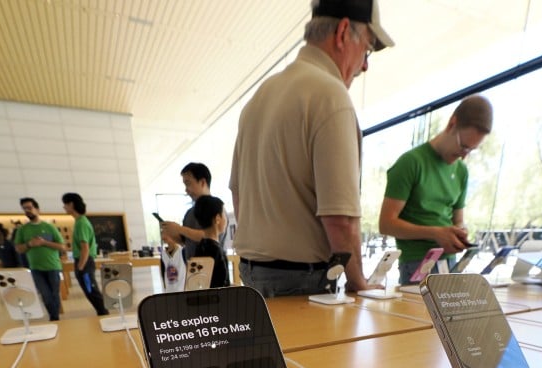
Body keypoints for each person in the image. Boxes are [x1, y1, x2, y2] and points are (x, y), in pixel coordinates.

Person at [229, 0, 393, 297]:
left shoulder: (261, 95)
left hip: (252, 274)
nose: (365, 65)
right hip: (301, 282)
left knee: (269, 345)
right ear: (343, 32)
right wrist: (360, 283)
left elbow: (239, 194)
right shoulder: (330, 95)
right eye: (367, 50)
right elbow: (340, 220)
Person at [379, 95, 493, 284]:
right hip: (417, 263)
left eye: (471, 150)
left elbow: (458, 221)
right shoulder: (411, 163)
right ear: (452, 124)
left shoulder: (461, 171)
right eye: (463, 146)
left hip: (450, 263)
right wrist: (435, 233)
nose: (464, 156)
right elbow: (386, 224)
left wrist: (460, 233)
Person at [13, 197, 65, 321]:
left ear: (37, 209)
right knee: (45, 295)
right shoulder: (22, 230)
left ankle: (55, 318)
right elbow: (18, 248)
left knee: (54, 294)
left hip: (53, 266)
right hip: (36, 268)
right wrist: (29, 244)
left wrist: (44, 243)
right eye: (25, 209)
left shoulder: (49, 227)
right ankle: (53, 316)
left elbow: (62, 246)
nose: (27, 211)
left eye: (30, 208)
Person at [62, 191, 109, 316]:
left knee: (91, 290)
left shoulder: (81, 223)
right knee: (90, 291)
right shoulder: (80, 222)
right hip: (84, 261)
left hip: (85, 262)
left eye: (65, 204)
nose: (64, 207)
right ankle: (102, 312)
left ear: (71, 204)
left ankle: (103, 313)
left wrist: (81, 266)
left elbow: (85, 248)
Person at [159, 162, 213, 260]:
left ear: (202, 182)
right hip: (192, 270)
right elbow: (186, 241)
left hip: (214, 269)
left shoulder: (216, 207)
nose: (186, 190)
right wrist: (172, 233)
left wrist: (179, 229)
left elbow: (210, 237)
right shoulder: (189, 213)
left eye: (188, 183)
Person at [190, 195, 231, 288]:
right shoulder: (216, 251)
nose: (226, 219)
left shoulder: (200, 247)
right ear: (217, 219)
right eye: (224, 214)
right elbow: (222, 284)